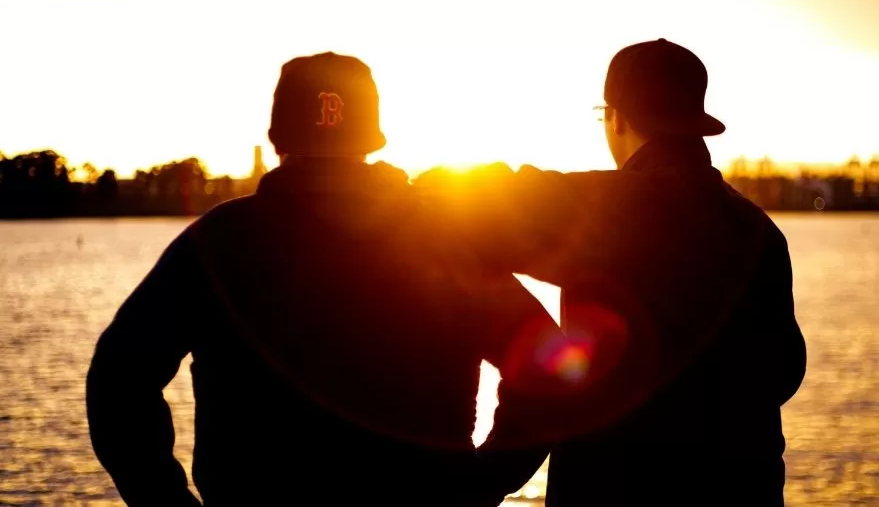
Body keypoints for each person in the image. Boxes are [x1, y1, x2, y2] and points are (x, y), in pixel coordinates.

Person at [86, 52, 553, 506]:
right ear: (371, 141)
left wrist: (165, 501)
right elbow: (549, 368)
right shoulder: (448, 240)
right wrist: (482, 484)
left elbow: (119, 377)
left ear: (276, 141)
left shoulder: (218, 242)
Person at [416, 39, 807, 505]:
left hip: (619, 488)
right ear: (695, 121)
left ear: (616, 117)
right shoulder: (760, 233)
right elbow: (785, 370)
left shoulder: (610, 210)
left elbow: (480, 202)